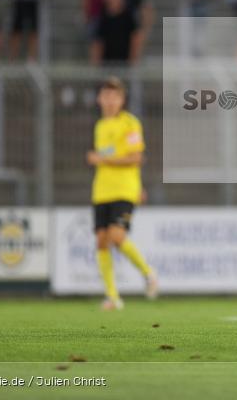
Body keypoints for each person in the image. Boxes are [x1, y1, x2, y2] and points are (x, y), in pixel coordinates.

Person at [86, 77, 158, 311]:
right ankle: (113, 297)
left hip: (124, 190)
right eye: (105, 96)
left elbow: (136, 157)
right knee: (101, 242)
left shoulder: (130, 124)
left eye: (114, 96)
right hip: (101, 191)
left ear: (122, 100)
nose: (109, 101)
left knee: (116, 237)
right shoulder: (100, 126)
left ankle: (149, 274)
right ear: (99, 99)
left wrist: (103, 159)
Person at [90, 0, 142, 65]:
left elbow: (135, 38)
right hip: (106, 63)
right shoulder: (102, 14)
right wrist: (95, 64)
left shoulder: (129, 13)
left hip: (124, 64)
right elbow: (98, 43)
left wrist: (132, 61)